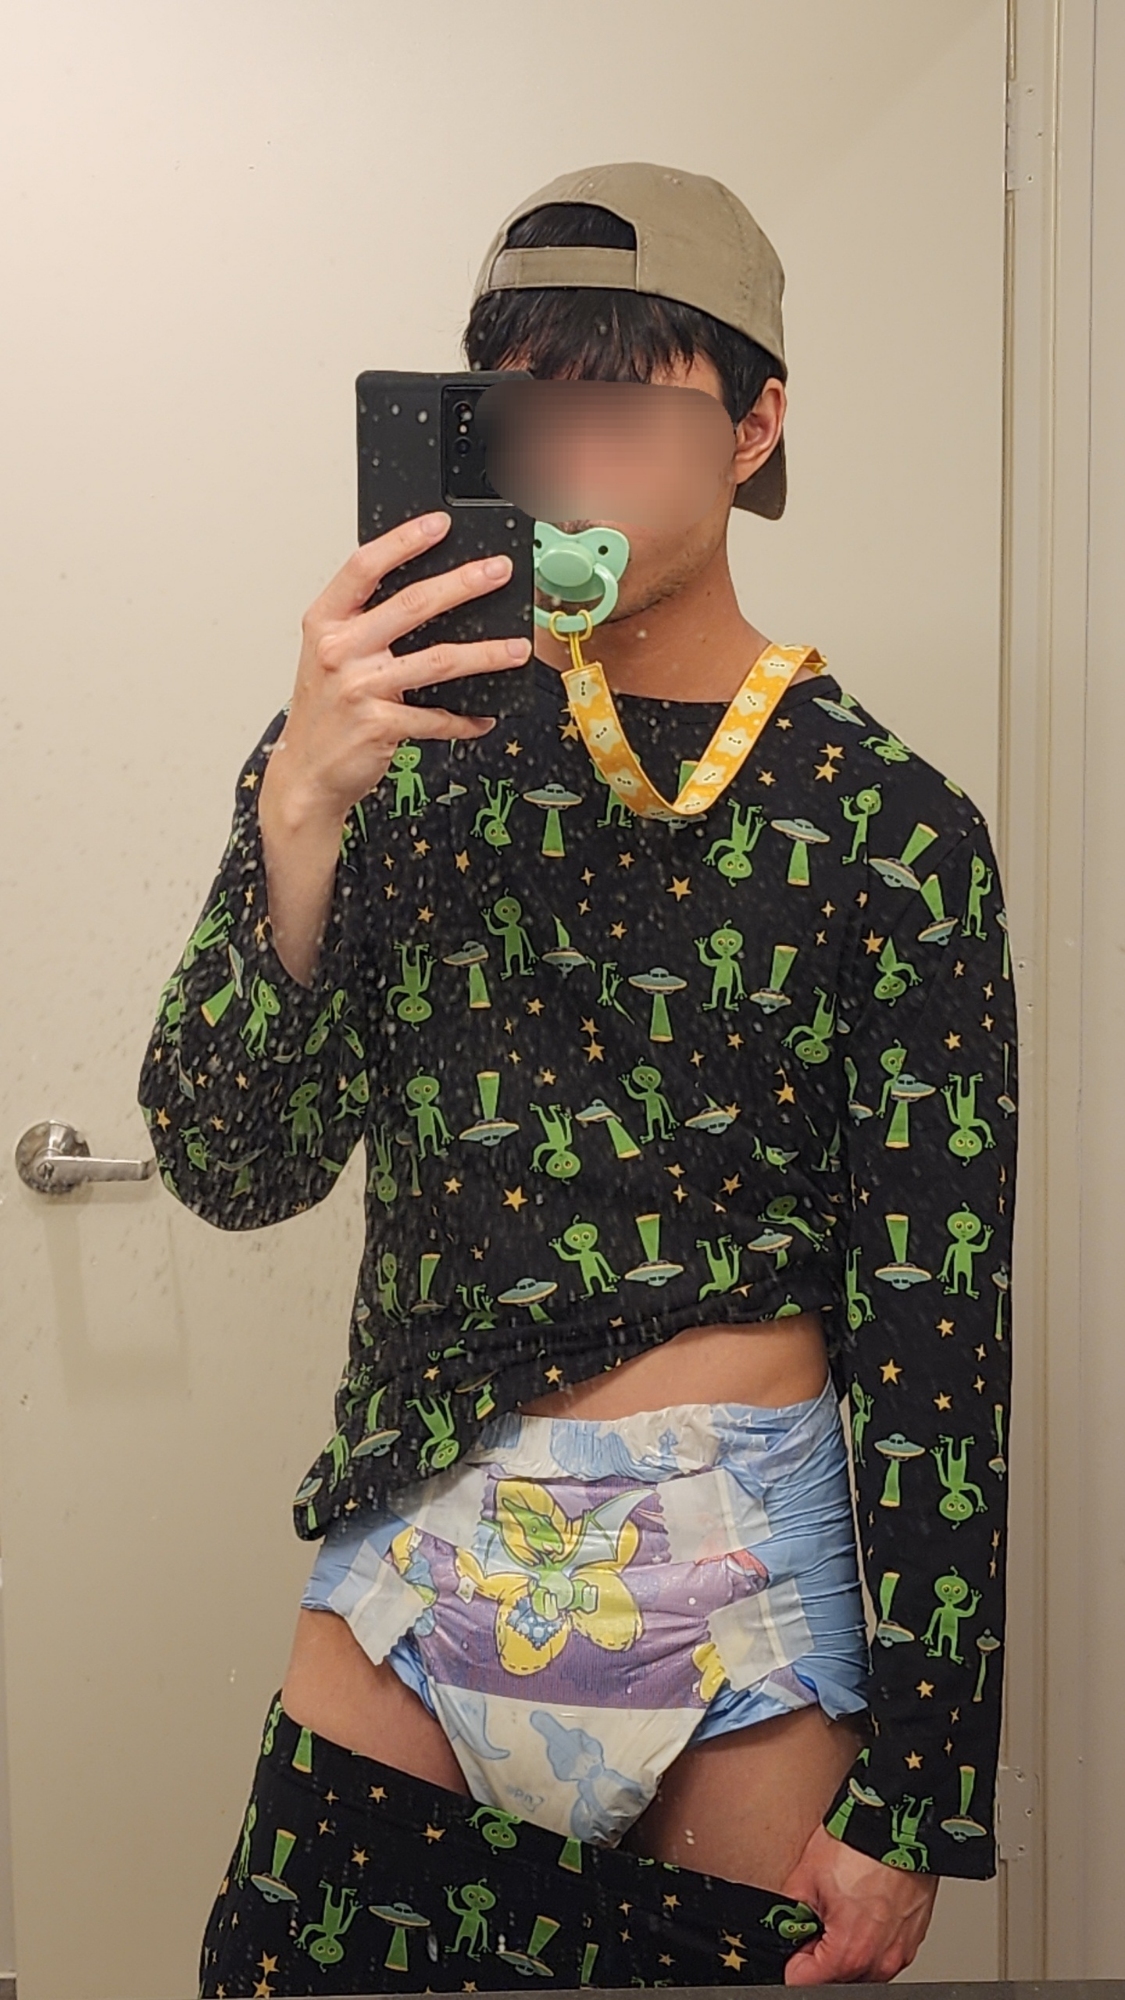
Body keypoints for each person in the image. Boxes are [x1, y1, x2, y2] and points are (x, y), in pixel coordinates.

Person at [138, 163, 1016, 1994]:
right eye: (522, 409)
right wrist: (297, 811)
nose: (566, 462)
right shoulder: (382, 752)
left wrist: (927, 1786)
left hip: (739, 1594)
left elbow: (937, 1323)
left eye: (623, 406)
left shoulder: (893, 828)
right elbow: (230, 1162)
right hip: (419, 1547)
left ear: (754, 428)